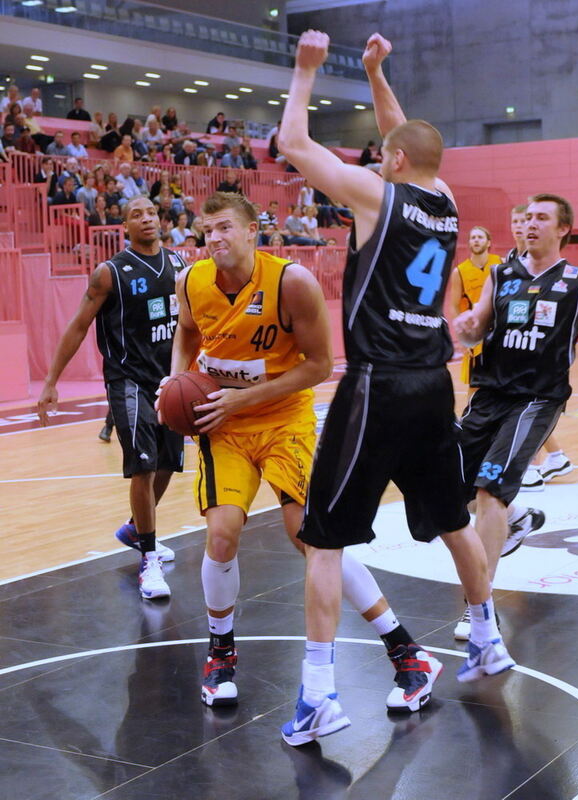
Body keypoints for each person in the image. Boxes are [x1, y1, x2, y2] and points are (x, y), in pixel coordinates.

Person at [278, 31, 514, 747]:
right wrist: (378, 73)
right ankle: (486, 639)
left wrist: (306, 69)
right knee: (453, 520)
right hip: (431, 383)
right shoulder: (443, 203)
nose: (376, 156)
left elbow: (291, 141)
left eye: (384, 154)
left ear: (394, 163)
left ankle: (318, 693)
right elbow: (402, 137)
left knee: (323, 541)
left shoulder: (375, 197)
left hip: (377, 385)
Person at [166, 191, 439, 711]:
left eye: (225, 228)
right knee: (221, 534)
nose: (214, 239)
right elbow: (186, 332)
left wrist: (241, 398)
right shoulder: (189, 281)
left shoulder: (292, 281)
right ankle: (220, 650)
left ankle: (407, 650)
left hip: (283, 419)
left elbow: (319, 365)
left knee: (311, 540)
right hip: (222, 423)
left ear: (253, 232)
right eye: (207, 231)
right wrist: (177, 378)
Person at [453, 193, 578, 622]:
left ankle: (478, 609)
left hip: (537, 400)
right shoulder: (500, 274)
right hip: (488, 395)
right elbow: (477, 331)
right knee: (448, 488)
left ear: (563, 229)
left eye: (542, 218)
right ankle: (518, 517)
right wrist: (468, 329)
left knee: (491, 488)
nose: (530, 224)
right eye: (527, 217)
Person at [37, 196, 187, 599]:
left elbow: (193, 322)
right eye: (137, 214)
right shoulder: (110, 273)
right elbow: (78, 325)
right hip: (128, 380)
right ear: (124, 226)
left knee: (168, 464)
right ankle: (149, 560)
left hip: (169, 380)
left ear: (161, 218)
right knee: (142, 465)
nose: (147, 218)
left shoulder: (179, 264)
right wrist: (51, 380)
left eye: (152, 212)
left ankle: (135, 530)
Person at [507, 203, 573, 491]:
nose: (522, 226)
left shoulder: (548, 266)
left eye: (527, 220)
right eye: (517, 221)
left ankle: (531, 468)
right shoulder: (511, 260)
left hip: (539, 348)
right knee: (517, 406)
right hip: (513, 346)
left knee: (525, 406)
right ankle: (556, 457)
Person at [450, 226, 502, 393]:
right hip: (476, 334)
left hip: (499, 330)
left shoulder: (501, 263)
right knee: (476, 386)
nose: (476, 240)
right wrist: (463, 338)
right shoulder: (460, 271)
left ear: (488, 243)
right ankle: (471, 419)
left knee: (503, 382)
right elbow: (454, 305)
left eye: (480, 237)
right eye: (473, 238)